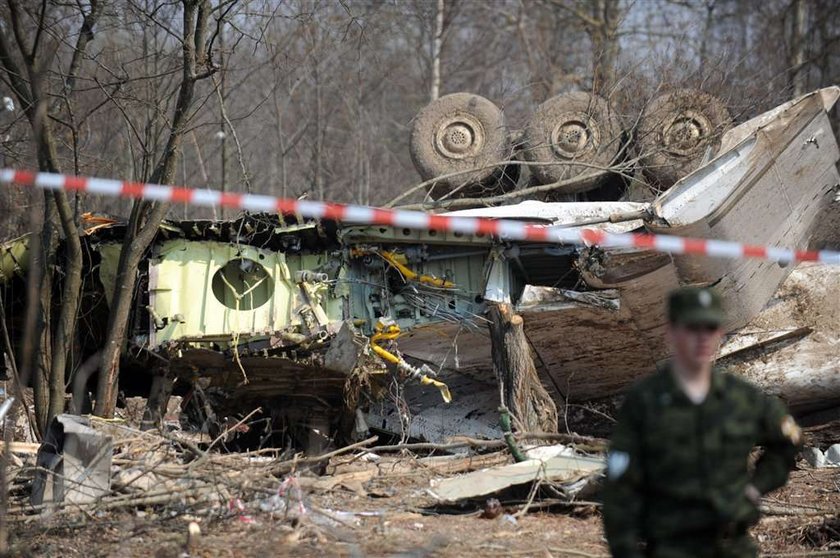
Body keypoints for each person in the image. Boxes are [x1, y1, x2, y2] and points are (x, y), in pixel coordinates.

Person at [602, 287, 802, 558]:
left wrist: (757, 485)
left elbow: (788, 440)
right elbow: (619, 487)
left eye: (710, 327)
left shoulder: (742, 398)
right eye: (692, 327)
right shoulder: (645, 402)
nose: (702, 337)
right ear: (671, 332)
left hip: (733, 546)